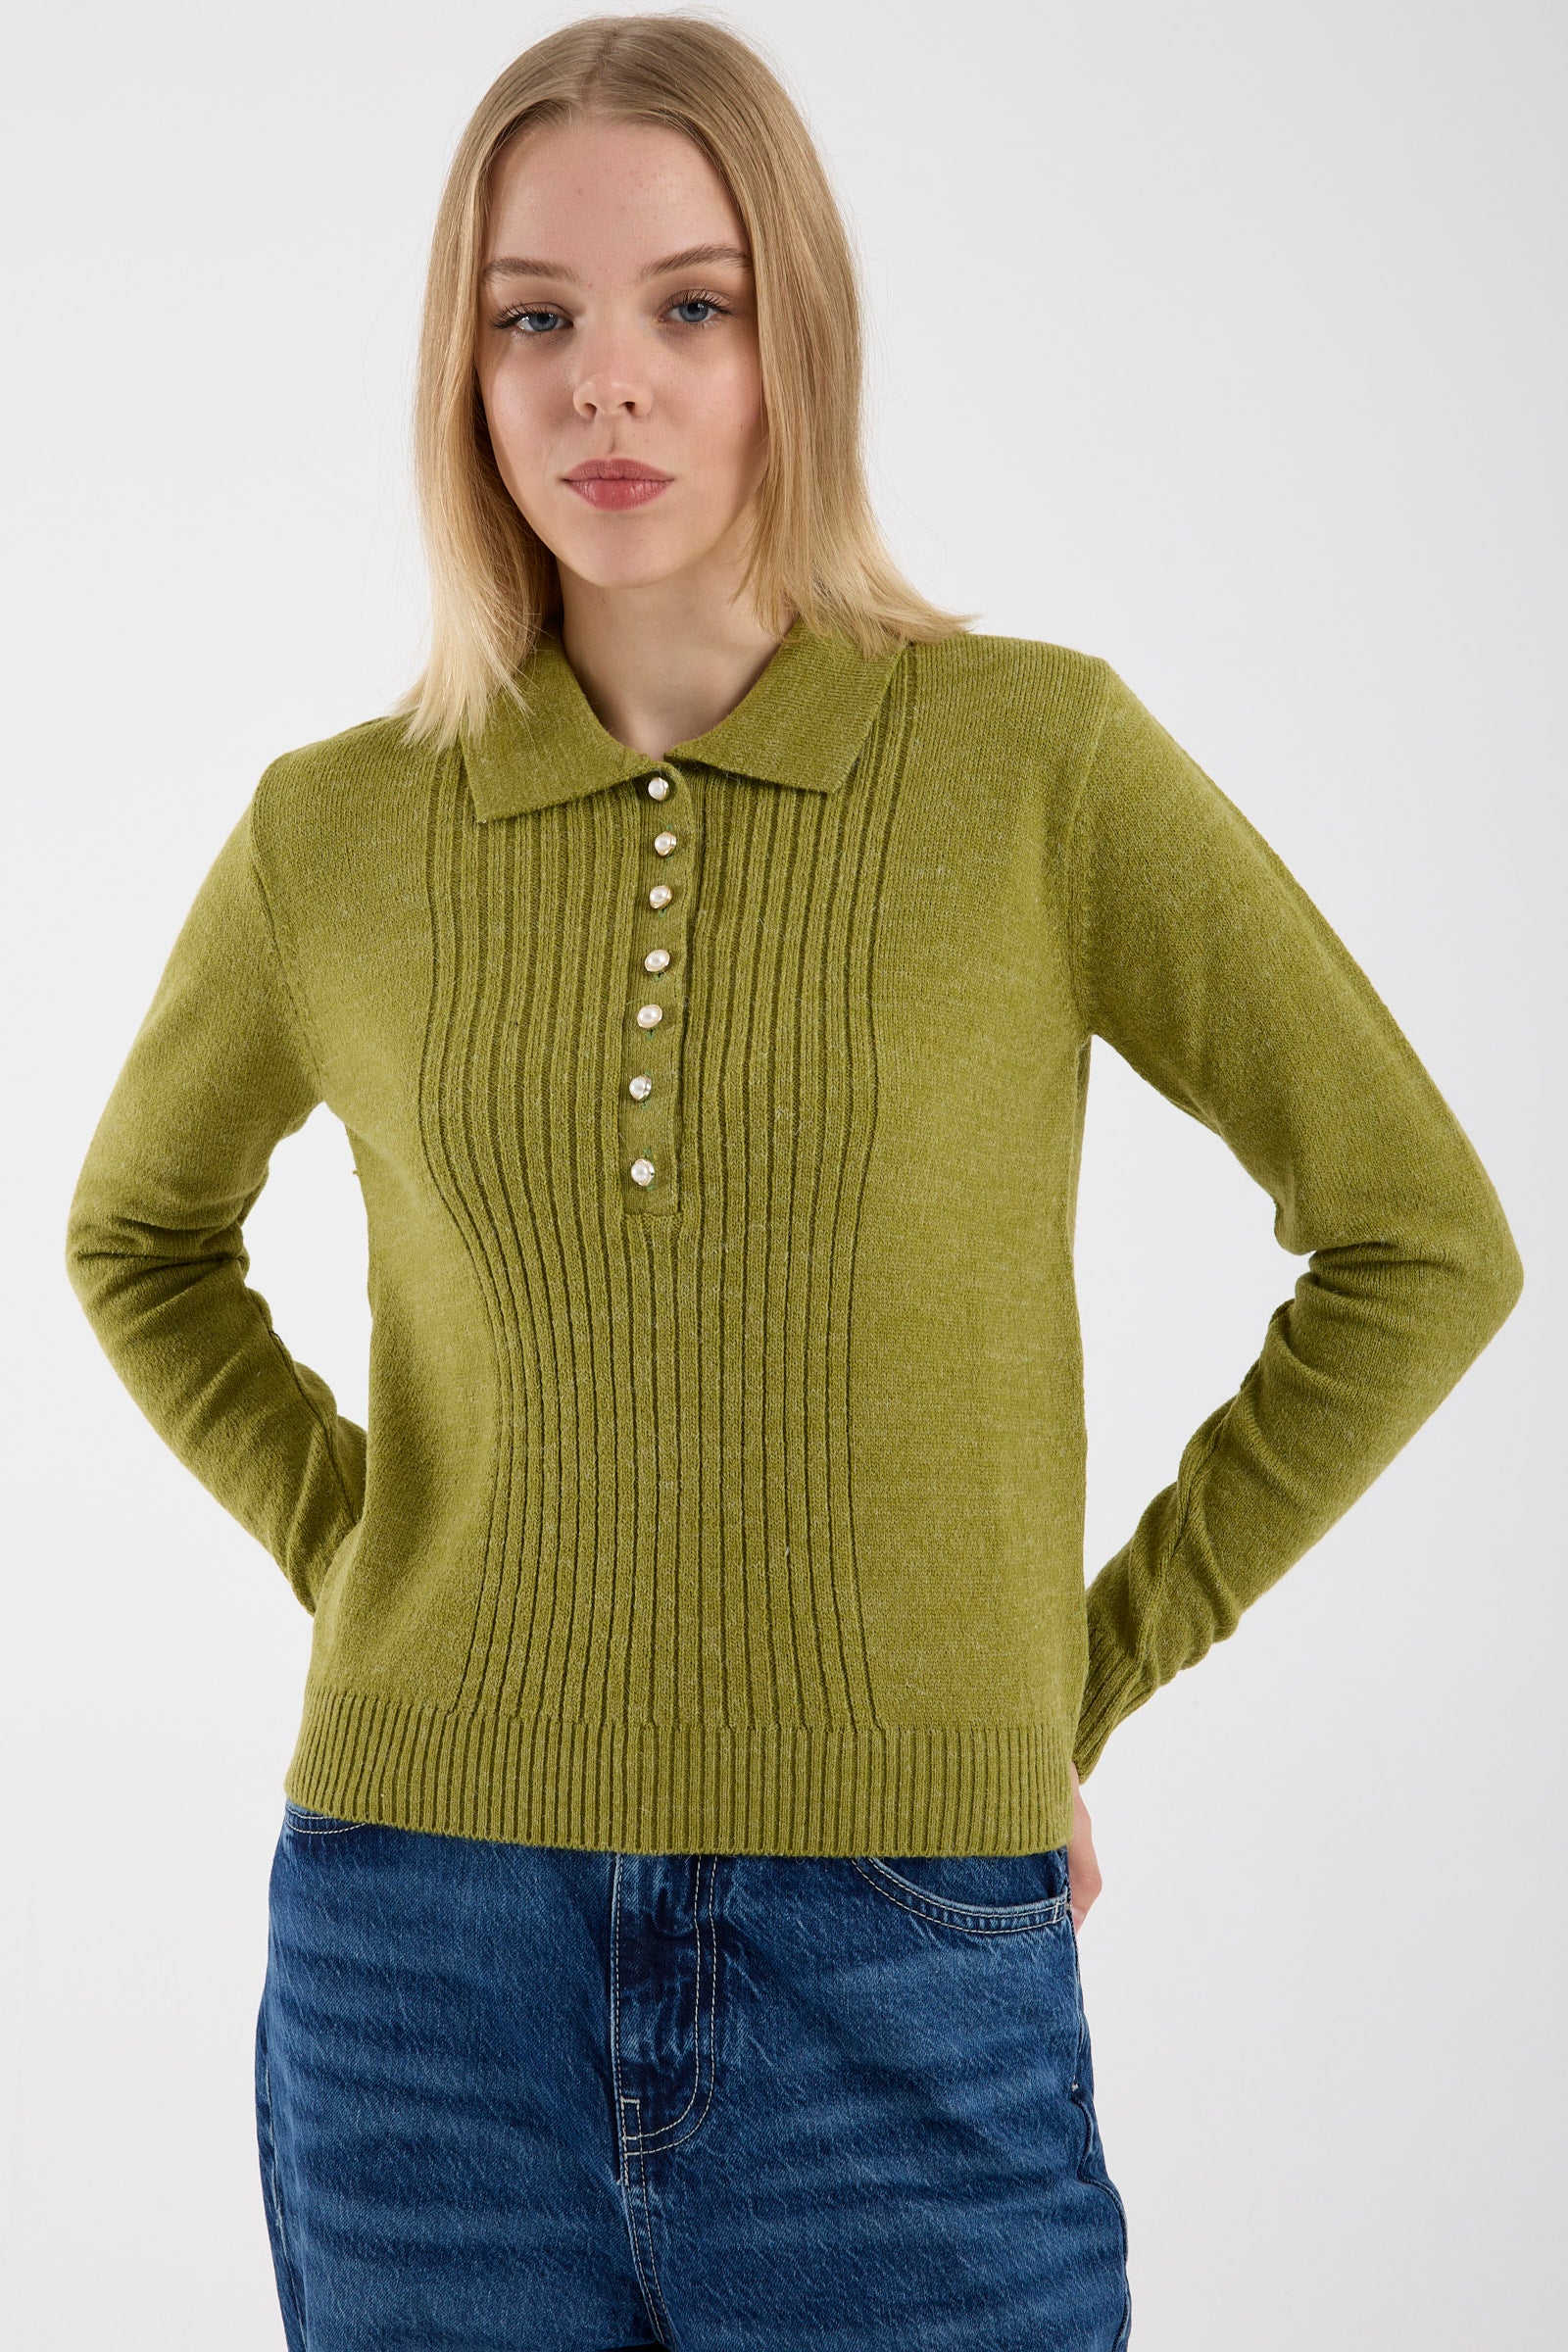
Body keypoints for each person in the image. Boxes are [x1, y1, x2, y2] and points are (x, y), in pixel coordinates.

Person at [62, 15, 1524, 2351]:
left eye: (691, 306)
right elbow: (136, 1238)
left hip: (898, 1946)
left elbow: (1416, 1239)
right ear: (462, 367)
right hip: (419, 1966)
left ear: (796, 343)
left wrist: (1076, 1669)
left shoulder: (1034, 762)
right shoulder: (330, 831)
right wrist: (368, 1558)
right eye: (531, 316)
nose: (605, 383)